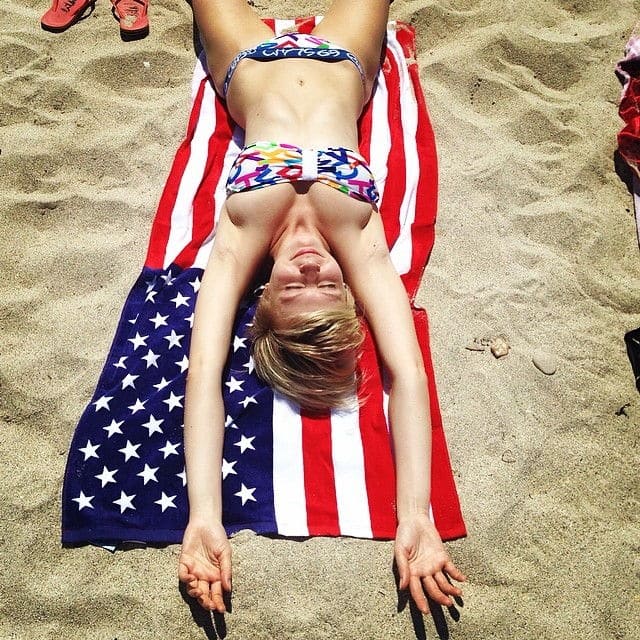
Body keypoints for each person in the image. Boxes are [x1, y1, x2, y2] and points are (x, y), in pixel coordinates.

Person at [178, 0, 466, 616]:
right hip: (343, 64)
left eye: (291, 288)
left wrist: (204, 515)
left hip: (250, 64)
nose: (311, 268)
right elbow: (406, 374)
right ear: (349, 294)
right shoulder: (358, 238)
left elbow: (204, 375)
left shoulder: (241, 235)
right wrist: (416, 512)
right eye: (329, 287)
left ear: (262, 299)